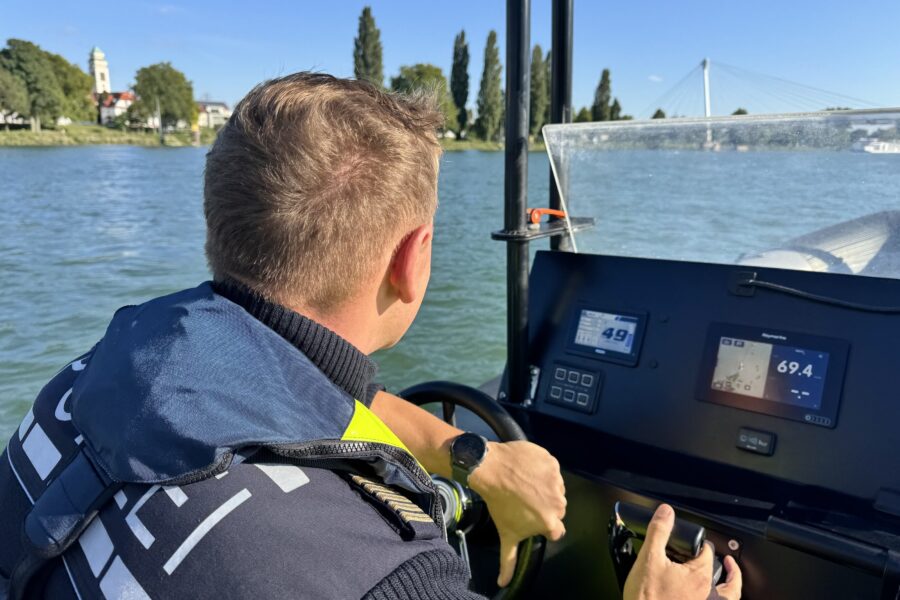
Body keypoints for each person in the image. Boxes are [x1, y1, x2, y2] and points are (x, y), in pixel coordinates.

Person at [0, 72, 740, 600]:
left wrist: (471, 459)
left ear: (219, 226)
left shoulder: (102, 370)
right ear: (412, 262)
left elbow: (289, 392)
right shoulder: (384, 574)